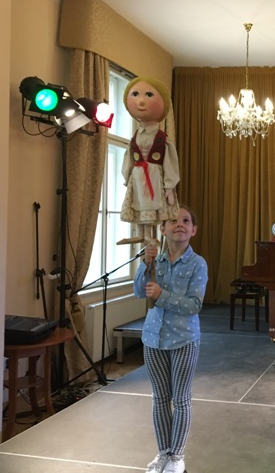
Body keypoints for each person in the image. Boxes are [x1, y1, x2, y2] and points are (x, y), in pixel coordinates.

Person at [134, 206, 208, 473]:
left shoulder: (197, 264)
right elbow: (138, 291)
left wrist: (161, 295)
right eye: (172, 220)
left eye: (185, 220)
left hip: (184, 340)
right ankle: (164, 453)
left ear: (193, 230)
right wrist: (145, 264)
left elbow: (194, 305)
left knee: (181, 399)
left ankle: (177, 456)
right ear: (162, 229)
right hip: (153, 339)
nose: (179, 224)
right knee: (160, 398)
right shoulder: (156, 260)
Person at [121, 76, 180, 244]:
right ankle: (140, 233)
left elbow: (170, 161)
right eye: (135, 94)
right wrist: (127, 175)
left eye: (148, 95)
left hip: (154, 175)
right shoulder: (136, 135)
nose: (141, 101)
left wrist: (169, 186)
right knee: (138, 202)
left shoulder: (162, 138)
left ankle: (149, 235)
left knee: (151, 203)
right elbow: (129, 156)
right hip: (138, 175)